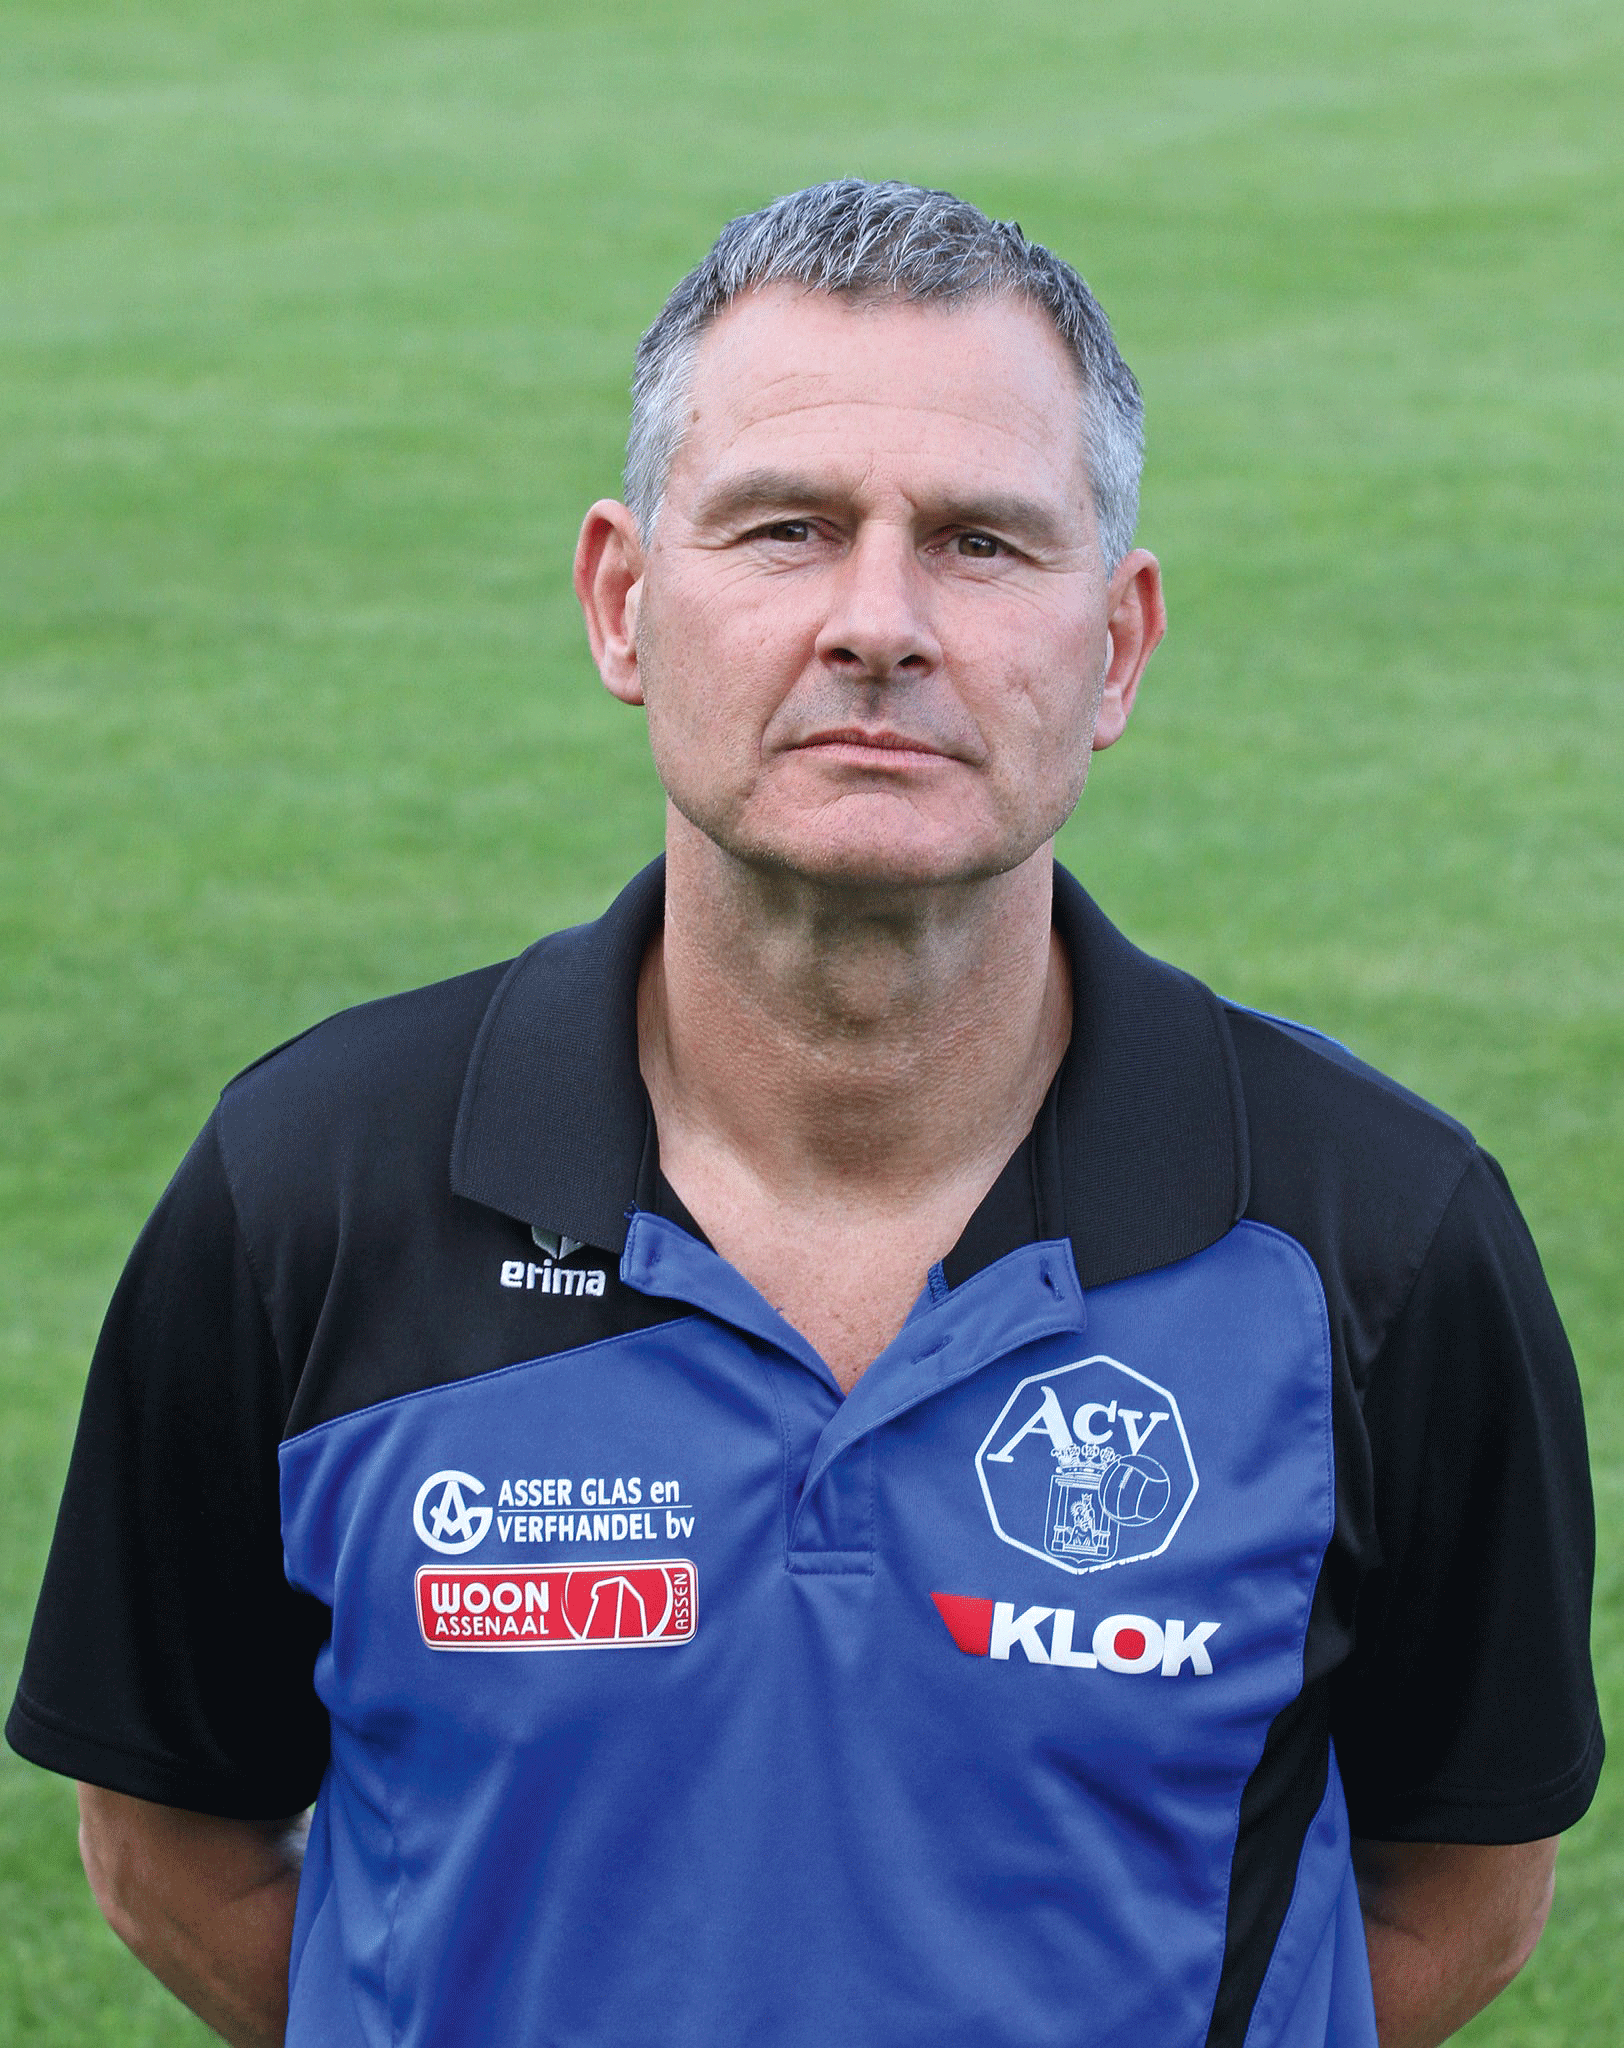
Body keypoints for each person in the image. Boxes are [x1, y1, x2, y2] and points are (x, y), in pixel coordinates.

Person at [7, 179, 1601, 2048]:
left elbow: (1464, 1888)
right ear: (622, 603)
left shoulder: (1378, 1236)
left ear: (1118, 646)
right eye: (789, 529)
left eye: (983, 544)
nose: (878, 623)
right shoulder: (309, 1191)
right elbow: (169, 1843)